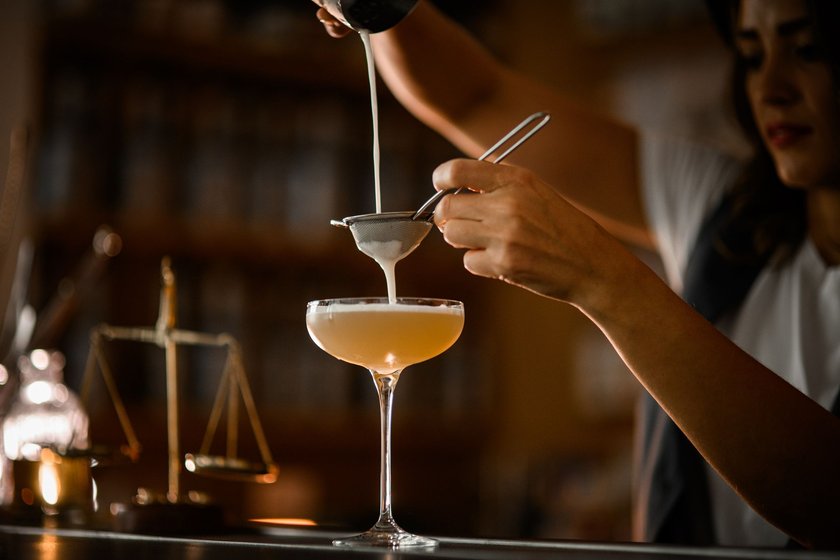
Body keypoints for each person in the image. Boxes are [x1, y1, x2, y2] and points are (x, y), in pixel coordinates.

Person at [313, 0, 840, 549]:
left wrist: (603, 280)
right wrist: (391, 10)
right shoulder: (724, 205)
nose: (772, 88)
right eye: (753, 57)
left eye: (810, 51)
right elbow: (478, 98)